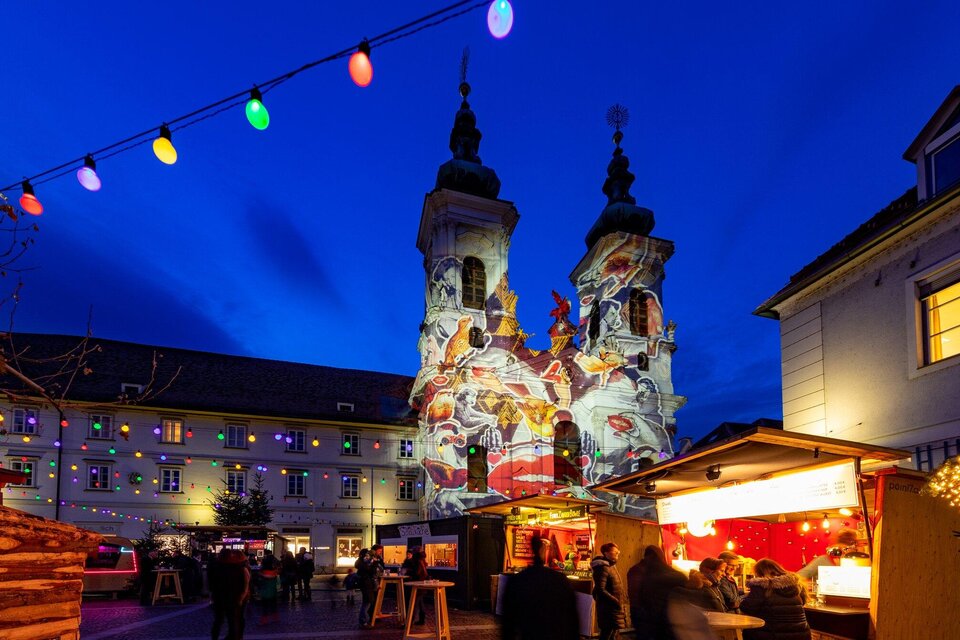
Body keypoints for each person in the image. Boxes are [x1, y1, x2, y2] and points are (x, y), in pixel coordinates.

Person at [502, 535, 579, 640]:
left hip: (530, 633)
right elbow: (572, 618)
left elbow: (508, 620)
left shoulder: (518, 579)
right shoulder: (560, 579)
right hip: (555, 633)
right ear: (544, 551)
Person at [740, 558, 811, 640]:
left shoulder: (762, 587)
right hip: (802, 635)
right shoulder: (796, 586)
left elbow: (746, 607)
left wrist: (745, 597)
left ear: (760, 574)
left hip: (772, 635)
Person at [631, 544, 686, 640]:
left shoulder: (637, 570)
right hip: (665, 617)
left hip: (646, 615)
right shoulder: (673, 574)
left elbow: (634, 594)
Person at [209, 548, 251, 640]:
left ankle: (217, 637)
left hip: (220, 597)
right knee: (233, 620)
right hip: (233, 597)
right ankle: (235, 636)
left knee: (219, 620)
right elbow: (243, 584)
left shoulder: (216, 567)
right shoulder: (237, 568)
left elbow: (212, 583)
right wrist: (240, 597)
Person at [592, 542, 627, 640]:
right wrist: (615, 601)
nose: (617, 554)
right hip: (608, 608)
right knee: (607, 633)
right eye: (614, 552)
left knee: (613, 633)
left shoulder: (611, 566)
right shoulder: (603, 567)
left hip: (614, 607)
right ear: (606, 553)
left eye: (618, 552)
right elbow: (600, 589)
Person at [356, 544, 384, 628]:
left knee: (370, 601)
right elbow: (371, 571)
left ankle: (371, 617)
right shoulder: (368, 560)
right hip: (366, 583)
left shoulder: (371, 560)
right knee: (367, 602)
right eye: (379, 551)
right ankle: (363, 621)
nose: (380, 553)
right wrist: (375, 563)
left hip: (368, 583)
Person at [258, 550, 280, 625]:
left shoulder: (262, 574)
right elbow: (278, 583)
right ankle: (275, 618)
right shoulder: (275, 573)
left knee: (265, 607)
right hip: (273, 592)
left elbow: (260, 583)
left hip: (265, 593)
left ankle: (264, 620)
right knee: (274, 605)